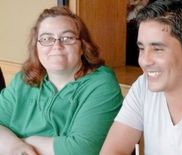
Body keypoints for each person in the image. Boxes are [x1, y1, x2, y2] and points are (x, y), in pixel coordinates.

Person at [100, 1, 182, 155]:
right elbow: (113, 150)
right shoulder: (143, 86)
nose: (144, 61)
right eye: (142, 48)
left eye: (158, 49)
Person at [0, 6, 123, 155]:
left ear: (82, 46)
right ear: (36, 47)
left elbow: (81, 150)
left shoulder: (101, 84)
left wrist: (21, 144)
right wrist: (15, 146)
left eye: (68, 38)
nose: (57, 46)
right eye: (46, 39)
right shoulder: (23, 80)